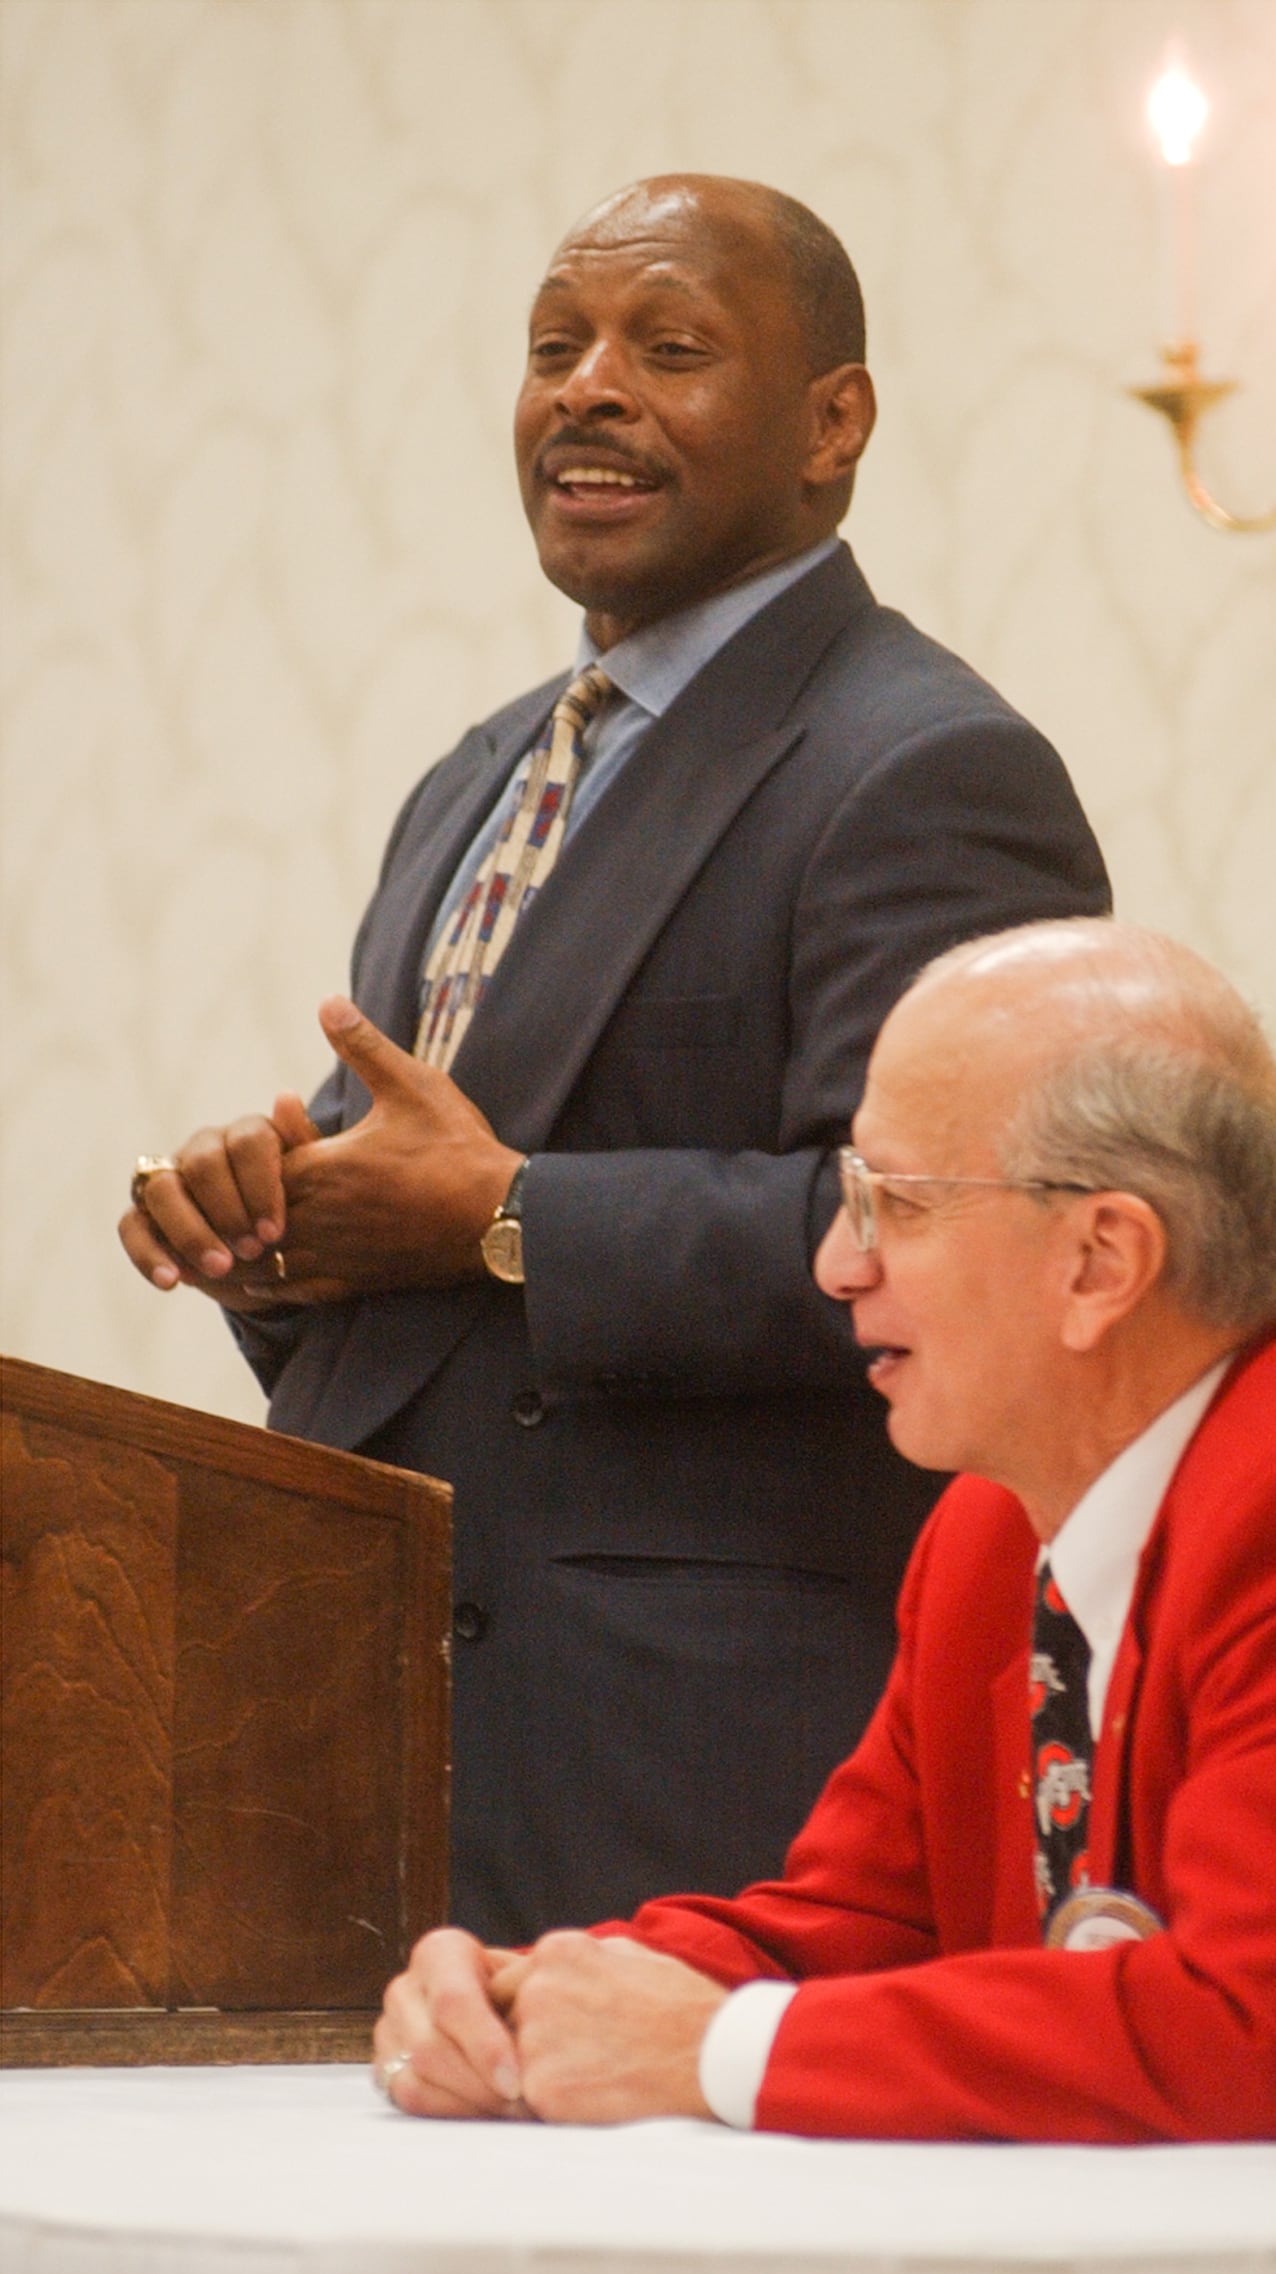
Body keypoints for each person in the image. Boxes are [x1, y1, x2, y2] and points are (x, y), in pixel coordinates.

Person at [116, 177, 1110, 1944]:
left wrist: (503, 1216)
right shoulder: (475, 777)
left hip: (707, 1761)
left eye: (669, 348)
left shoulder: (926, 768)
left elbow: (972, 1241)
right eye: (553, 348)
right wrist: (284, 1236)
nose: (587, 388)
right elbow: (422, 1242)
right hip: (380, 1733)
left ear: (833, 422)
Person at [373, 920, 1276, 2172]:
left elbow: (1266, 2030)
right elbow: (861, 1918)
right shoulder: (989, 1525)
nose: (835, 1264)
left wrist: (714, 2052)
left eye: (889, 1201)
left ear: (1099, 1261)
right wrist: (545, 1996)